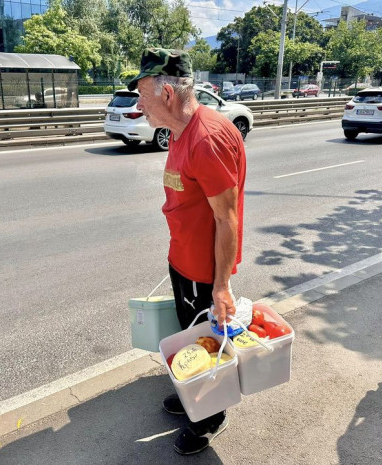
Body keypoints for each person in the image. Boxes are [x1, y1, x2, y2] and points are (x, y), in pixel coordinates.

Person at [128, 48, 246, 455]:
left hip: (204, 271)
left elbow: (226, 218)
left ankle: (210, 418)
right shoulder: (180, 132)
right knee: (187, 339)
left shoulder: (207, 138)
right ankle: (192, 392)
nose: (138, 104)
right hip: (183, 259)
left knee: (207, 343)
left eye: (142, 94)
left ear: (166, 95)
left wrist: (222, 286)